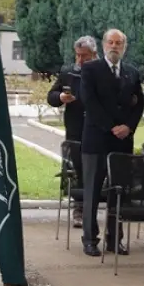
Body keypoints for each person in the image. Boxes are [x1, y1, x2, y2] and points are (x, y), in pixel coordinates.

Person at [79, 29, 144, 257]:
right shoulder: (90, 69)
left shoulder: (132, 72)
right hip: (97, 139)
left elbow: (138, 104)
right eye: (111, 42)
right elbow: (90, 101)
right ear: (104, 45)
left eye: (119, 43)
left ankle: (115, 239)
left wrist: (129, 126)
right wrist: (110, 126)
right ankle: (89, 239)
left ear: (124, 47)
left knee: (119, 192)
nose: (114, 46)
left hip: (122, 142)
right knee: (93, 193)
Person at [47, 36, 96, 228]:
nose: (81, 60)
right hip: (75, 128)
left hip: (96, 127)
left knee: (94, 169)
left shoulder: (100, 71)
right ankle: (79, 207)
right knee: (77, 169)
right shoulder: (69, 73)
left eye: (85, 56)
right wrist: (60, 96)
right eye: (78, 56)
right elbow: (51, 96)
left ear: (94, 54)